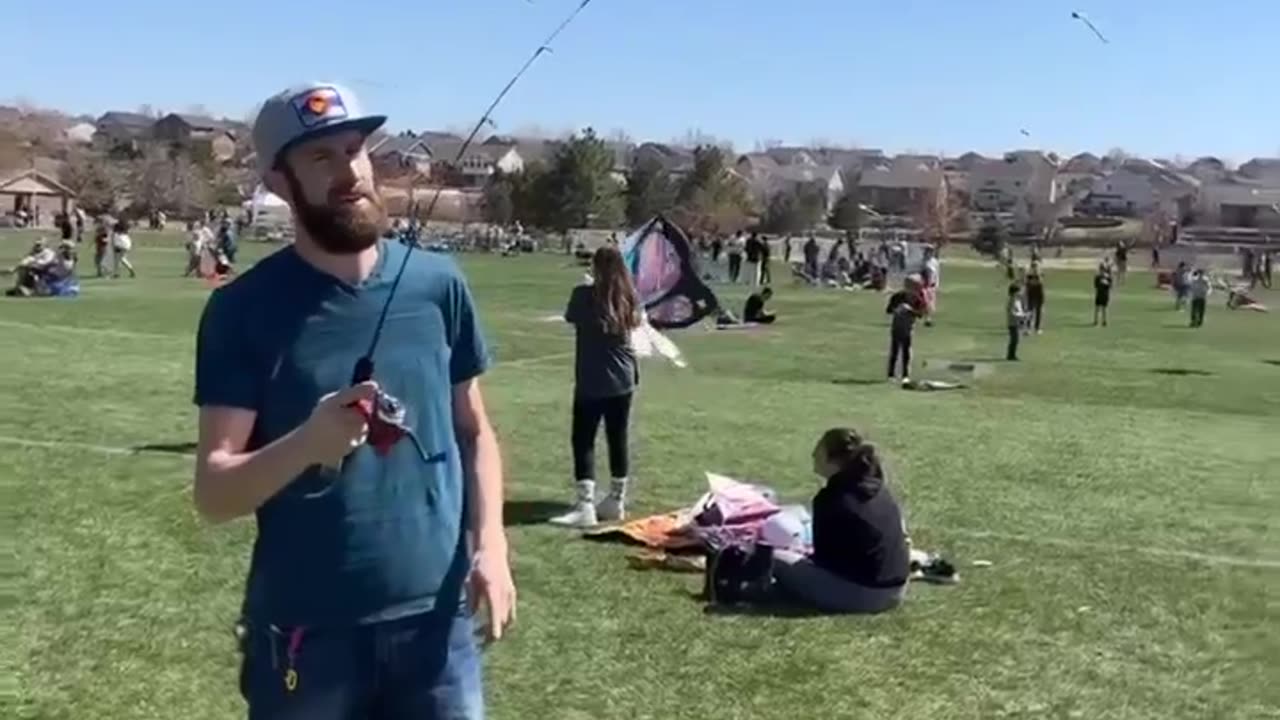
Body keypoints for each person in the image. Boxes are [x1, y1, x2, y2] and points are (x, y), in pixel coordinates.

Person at [192, 83, 513, 719]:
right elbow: (215, 492)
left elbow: (474, 430)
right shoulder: (242, 311)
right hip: (308, 640)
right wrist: (308, 443)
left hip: (438, 628)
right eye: (321, 158)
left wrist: (492, 545)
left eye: (355, 148)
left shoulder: (437, 284)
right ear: (279, 183)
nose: (350, 171)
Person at [770, 428, 909, 614]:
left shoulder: (832, 498)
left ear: (834, 460)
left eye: (819, 451)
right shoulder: (879, 488)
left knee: (773, 557)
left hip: (864, 595)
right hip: (897, 591)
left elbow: (824, 560)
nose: (813, 455)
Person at [553, 246, 643, 529]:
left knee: (584, 439)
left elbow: (571, 317)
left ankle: (585, 505)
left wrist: (587, 286)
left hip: (593, 378)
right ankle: (616, 499)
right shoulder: (629, 296)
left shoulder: (583, 295)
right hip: (625, 378)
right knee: (618, 438)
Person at [885, 276, 924, 381]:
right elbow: (889, 310)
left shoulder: (918, 299)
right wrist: (897, 309)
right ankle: (891, 374)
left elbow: (920, 314)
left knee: (906, 351)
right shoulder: (897, 297)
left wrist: (910, 310)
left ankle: (905, 375)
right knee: (895, 350)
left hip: (908, 328)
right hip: (897, 326)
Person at [1006, 283, 1027, 361]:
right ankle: (1011, 355)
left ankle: (1012, 354)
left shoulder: (1017, 300)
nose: (1021, 292)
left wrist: (1024, 315)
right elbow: (1011, 312)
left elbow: (1019, 310)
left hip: (1017, 322)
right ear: (1015, 292)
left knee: (1016, 339)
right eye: (1019, 291)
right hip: (1013, 323)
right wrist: (1021, 316)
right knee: (1014, 339)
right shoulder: (1012, 301)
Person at [1025, 261, 1045, 333]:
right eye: (1034, 266)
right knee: (1030, 311)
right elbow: (1027, 284)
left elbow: (1040, 282)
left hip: (1039, 295)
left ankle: (1037, 328)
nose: (1035, 268)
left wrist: (1037, 275)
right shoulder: (1029, 275)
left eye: (1036, 266)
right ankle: (1028, 328)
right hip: (1031, 294)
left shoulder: (1040, 274)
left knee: (1039, 311)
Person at [1092, 263, 1112, 327]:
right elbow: (1095, 286)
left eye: (1102, 269)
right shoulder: (1097, 277)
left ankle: (1104, 321)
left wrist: (1106, 283)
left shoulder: (1108, 277)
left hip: (1105, 295)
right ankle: (1095, 321)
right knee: (1097, 308)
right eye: (1101, 269)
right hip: (1099, 294)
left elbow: (1110, 286)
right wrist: (1101, 283)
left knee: (1104, 308)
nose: (1101, 270)